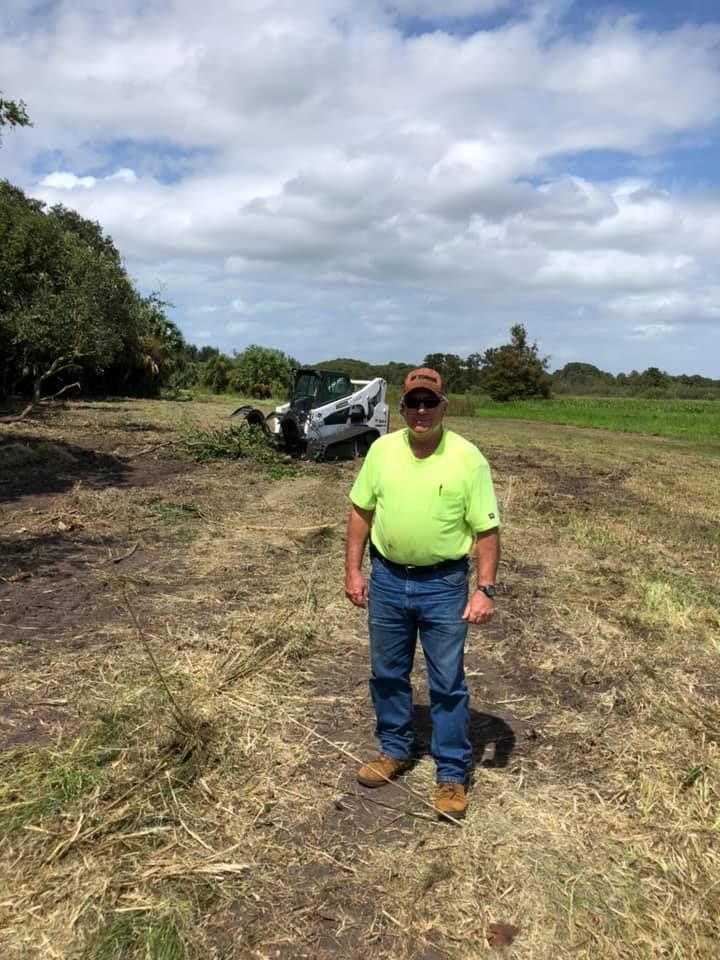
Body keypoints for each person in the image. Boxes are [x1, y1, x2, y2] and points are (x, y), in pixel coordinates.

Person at [345, 367, 500, 820]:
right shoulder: (382, 451)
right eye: (413, 402)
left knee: (447, 683)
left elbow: (487, 530)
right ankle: (395, 750)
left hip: (444, 585)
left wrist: (484, 589)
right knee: (387, 673)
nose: (420, 411)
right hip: (388, 579)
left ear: (443, 406)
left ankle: (451, 774)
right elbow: (360, 512)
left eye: (429, 402)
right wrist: (353, 570)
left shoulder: (467, 459)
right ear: (403, 406)